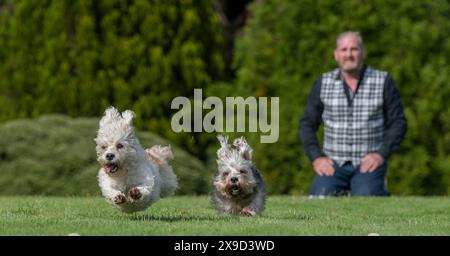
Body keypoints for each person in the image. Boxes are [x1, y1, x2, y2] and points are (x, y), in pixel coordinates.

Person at [299, 31, 407, 196]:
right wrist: (317, 157)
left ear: (363, 52)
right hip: (333, 164)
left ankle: (377, 189)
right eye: (343, 50)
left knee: (368, 200)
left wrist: (381, 154)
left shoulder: (383, 81)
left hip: (368, 164)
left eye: (354, 49)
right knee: (320, 198)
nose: (348, 54)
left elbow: (398, 122)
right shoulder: (322, 82)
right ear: (336, 55)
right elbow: (307, 124)